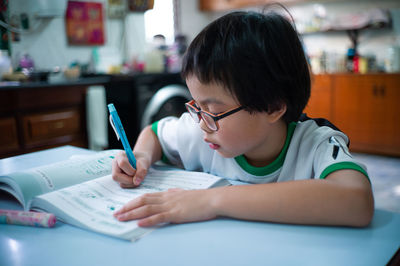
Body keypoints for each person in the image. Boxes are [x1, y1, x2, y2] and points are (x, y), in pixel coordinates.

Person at [112, 9, 374, 228]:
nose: (202, 122)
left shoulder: (316, 143)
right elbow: (155, 133)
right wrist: (142, 157)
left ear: (272, 107)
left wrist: (211, 200)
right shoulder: (203, 131)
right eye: (197, 106)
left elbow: (357, 200)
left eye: (214, 110)